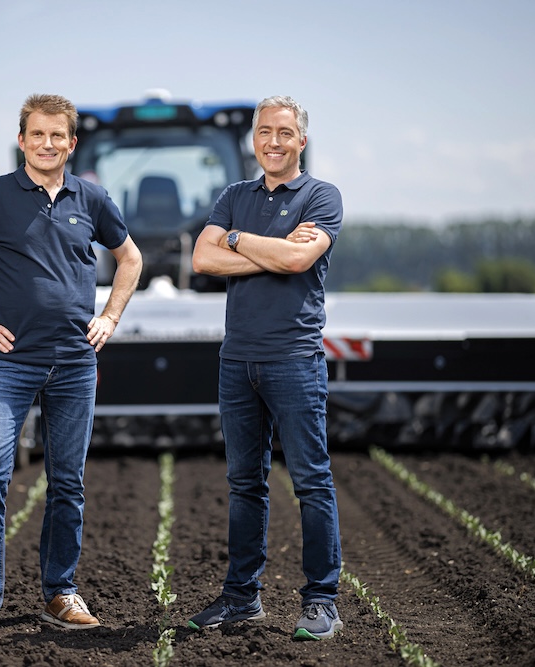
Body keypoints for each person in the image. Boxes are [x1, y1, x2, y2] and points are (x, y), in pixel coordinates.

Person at [0, 93, 143, 641]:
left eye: (57, 135)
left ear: (72, 143)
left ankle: (60, 593)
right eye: (36, 134)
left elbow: (130, 258)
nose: (46, 144)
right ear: (22, 140)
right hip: (9, 364)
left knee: (68, 485)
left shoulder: (92, 198)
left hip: (75, 364)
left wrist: (110, 316)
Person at [188, 95, 344, 640]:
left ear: (301, 140)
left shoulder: (321, 196)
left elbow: (298, 260)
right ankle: (241, 598)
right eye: (264, 132)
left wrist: (236, 240)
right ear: (253, 139)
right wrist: (268, 249)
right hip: (237, 361)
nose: (273, 142)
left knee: (311, 481)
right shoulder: (235, 195)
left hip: (294, 359)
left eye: (284, 133)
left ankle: (322, 601)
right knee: (244, 484)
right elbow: (202, 259)